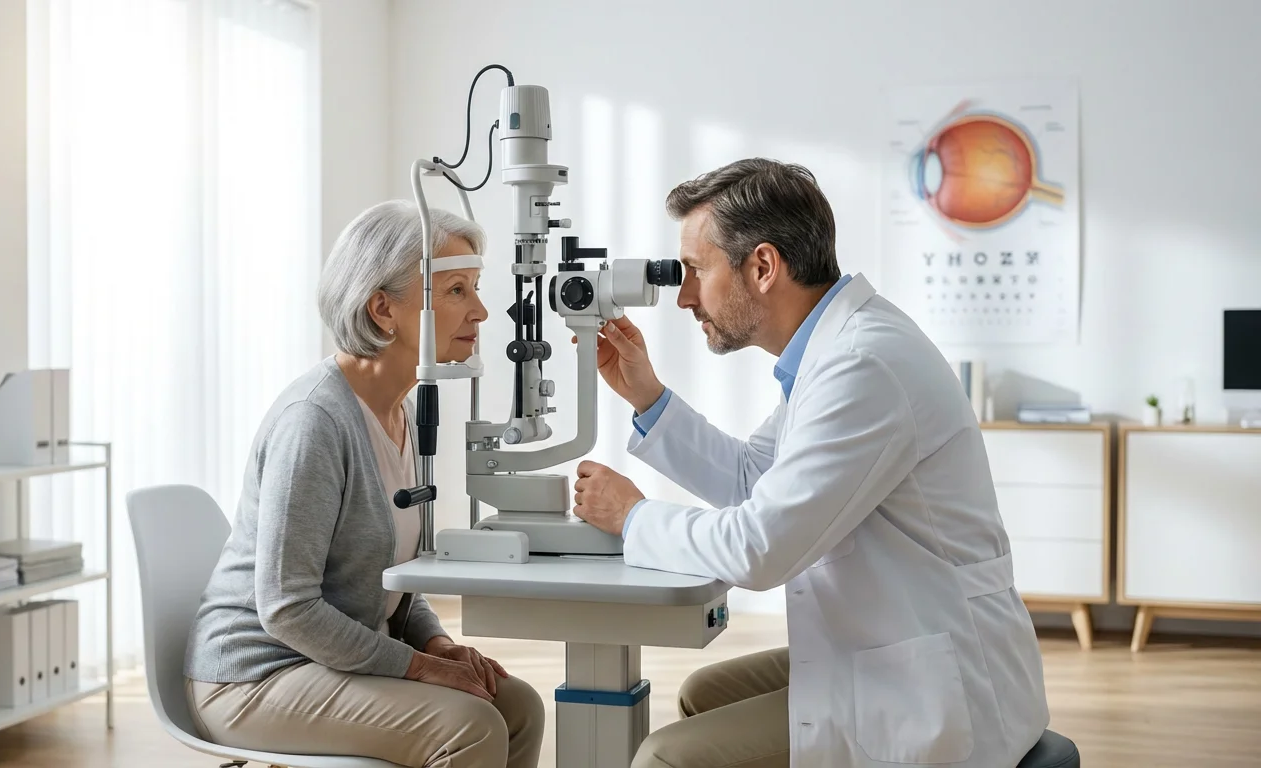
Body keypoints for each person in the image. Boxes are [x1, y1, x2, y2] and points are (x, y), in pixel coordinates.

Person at [571, 159, 1049, 768]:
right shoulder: (829, 353)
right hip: (890, 637)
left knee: (663, 759)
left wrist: (634, 518)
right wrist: (647, 396)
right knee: (702, 693)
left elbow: (759, 547)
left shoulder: (861, 365)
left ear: (763, 267)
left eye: (695, 270)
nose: (685, 295)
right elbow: (753, 480)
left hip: (938, 684)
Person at [183, 200, 544, 768]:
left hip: (327, 661)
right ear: (384, 310)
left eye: (475, 288)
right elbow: (286, 607)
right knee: (471, 727)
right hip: (256, 677)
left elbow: (392, 577)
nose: (481, 312)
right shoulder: (316, 422)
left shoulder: (402, 413)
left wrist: (436, 643)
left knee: (517, 704)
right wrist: (420, 668)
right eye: (455, 291)